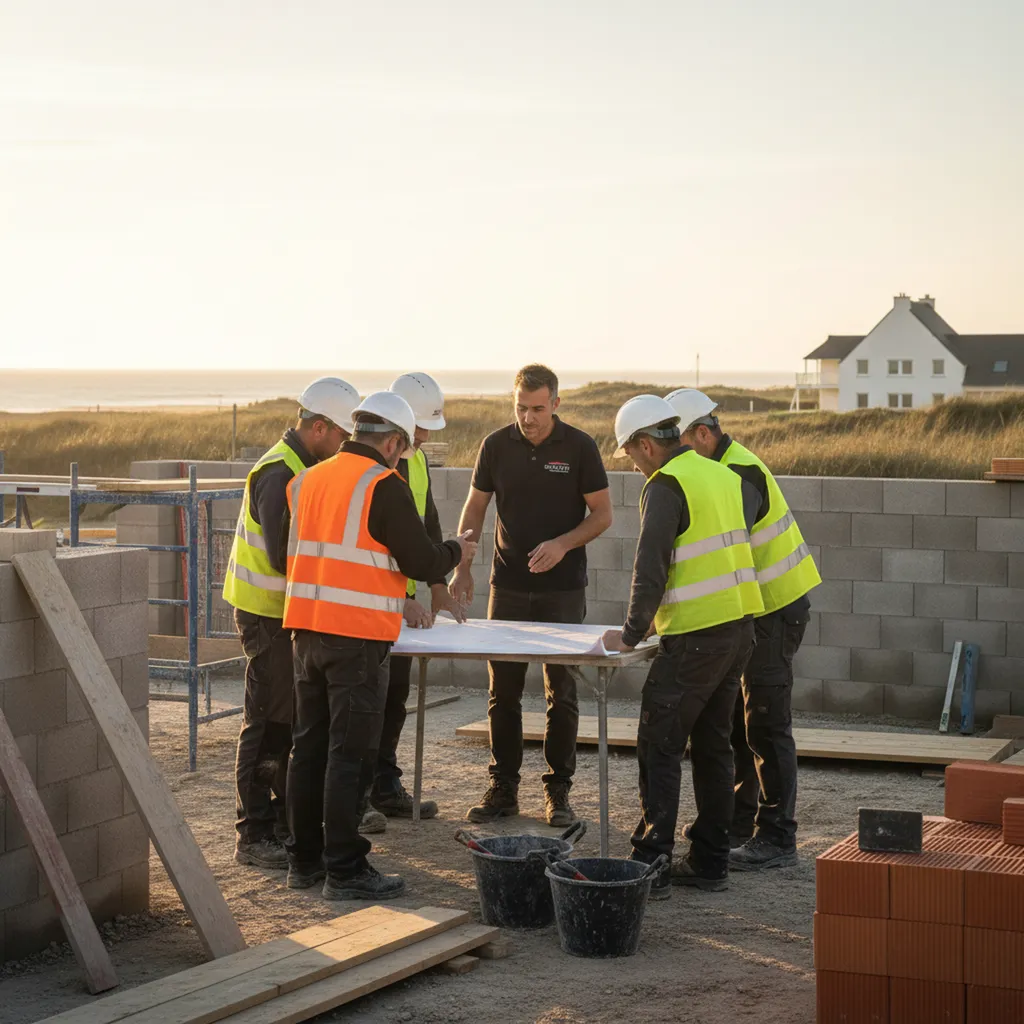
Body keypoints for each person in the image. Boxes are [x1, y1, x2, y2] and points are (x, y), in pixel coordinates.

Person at [281, 391, 476, 900]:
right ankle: (344, 869)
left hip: (306, 630)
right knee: (350, 755)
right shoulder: (383, 486)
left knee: (309, 748)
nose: (402, 458)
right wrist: (459, 549)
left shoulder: (305, 481)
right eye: (404, 449)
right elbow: (422, 562)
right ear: (392, 441)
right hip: (358, 640)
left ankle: (304, 862)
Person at [602, 394, 763, 898]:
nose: (632, 463)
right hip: (737, 630)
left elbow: (651, 564)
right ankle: (711, 861)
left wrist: (630, 632)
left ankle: (651, 863)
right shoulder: (720, 474)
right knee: (715, 746)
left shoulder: (666, 485)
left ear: (647, 445)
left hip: (696, 639)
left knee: (659, 743)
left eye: (630, 454)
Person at [665, 389, 821, 871]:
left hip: (775, 609)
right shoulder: (720, 468)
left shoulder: (738, 473)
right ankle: (738, 819)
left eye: (682, 446)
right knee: (735, 717)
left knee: (766, 723)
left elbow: (719, 539)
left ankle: (777, 837)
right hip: (751, 611)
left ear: (704, 434)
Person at [451, 364, 612, 827]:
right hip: (508, 588)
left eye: (538, 409)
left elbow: (602, 515)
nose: (529, 418)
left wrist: (562, 544)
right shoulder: (495, 446)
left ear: (556, 404)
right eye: (521, 408)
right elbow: (475, 507)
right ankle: (503, 788)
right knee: (502, 692)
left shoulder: (580, 447)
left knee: (560, 692)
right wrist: (463, 567)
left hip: (562, 591)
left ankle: (558, 793)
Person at [223, 376, 359, 869]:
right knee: (266, 723)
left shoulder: (299, 466)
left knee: (288, 722)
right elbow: (286, 555)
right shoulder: (280, 473)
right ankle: (253, 832)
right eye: (343, 436)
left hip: (284, 615)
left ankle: (279, 822)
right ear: (320, 427)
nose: (345, 446)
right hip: (266, 615)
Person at [366, 372, 466, 822]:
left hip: (400, 609)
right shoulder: (375, 470)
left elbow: (427, 526)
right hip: (370, 606)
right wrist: (396, 599)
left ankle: (384, 786)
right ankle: (357, 797)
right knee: (364, 702)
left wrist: (438, 587)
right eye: (420, 427)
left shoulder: (417, 461)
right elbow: (371, 547)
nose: (426, 436)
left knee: (393, 698)